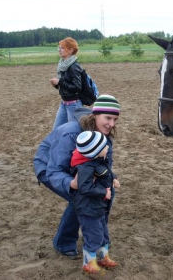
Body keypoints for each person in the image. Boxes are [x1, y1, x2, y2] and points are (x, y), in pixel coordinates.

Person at [33, 95, 121, 260]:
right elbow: (54, 170)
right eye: (108, 118)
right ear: (95, 114)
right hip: (49, 166)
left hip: (78, 166)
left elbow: (101, 162)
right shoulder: (71, 132)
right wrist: (72, 183)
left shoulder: (104, 133)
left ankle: (96, 234)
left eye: (115, 119)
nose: (112, 124)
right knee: (81, 198)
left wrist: (111, 177)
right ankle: (63, 242)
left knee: (104, 193)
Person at [71, 130, 120, 276]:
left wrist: (113, 178)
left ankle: (103, 257)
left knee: (104, 234)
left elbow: (105, 172)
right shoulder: (85, 168)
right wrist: (103, 193)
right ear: (96, 151)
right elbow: (84, 187)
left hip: (99, 207)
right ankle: (89, 263)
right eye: (105, 146)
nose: (107, 148)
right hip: (89, 209)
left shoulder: (98, 161)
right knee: (94, 235)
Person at [50, 37, 83, 130]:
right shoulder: (63, 65)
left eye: (62, 47)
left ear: (70, 50)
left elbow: (77, 87)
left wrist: (60, 82)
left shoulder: (73, 66)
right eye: (59, 47)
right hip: (64, 103)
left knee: (73, 133)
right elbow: (66, 88)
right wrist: (56, 85)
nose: (59, 50)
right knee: (56, 131)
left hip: (74, 105)